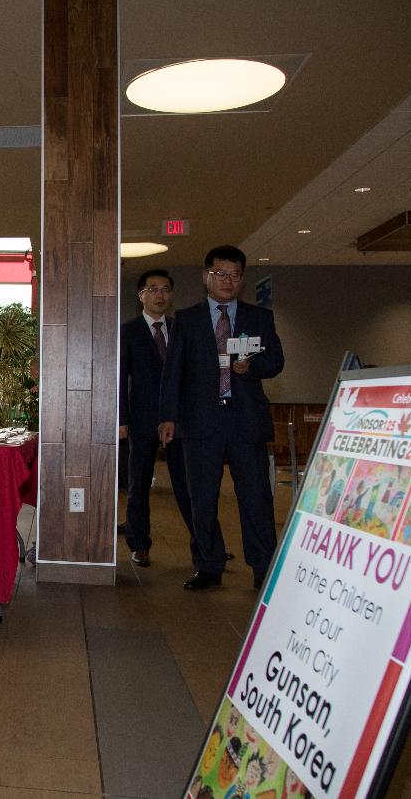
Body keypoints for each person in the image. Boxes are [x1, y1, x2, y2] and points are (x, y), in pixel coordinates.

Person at [159, 245, 284, 591]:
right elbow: (173, 373)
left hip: (246, 419)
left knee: (256, 496)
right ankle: (209, 564)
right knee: (202, 498)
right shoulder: (187, 319)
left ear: (242, 279)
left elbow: (275, 360)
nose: (226, 281)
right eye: (219, 274)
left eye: (234, 275)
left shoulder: (259, 317)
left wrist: (251, 366)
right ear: (206, 277)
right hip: (200, 420)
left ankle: (263, 566)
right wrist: (168, 416)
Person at [118, 269, 193, 567]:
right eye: (153, 289)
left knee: (187, 485)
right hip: (140, 420)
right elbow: (121, 379)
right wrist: (121, 419)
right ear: (141, 296)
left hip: (179, 420)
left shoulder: (181, 330)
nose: (160, 295)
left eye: (165, 289)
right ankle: (138, 544)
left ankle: (204, 545)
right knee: (138, 485)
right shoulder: (129, 331)